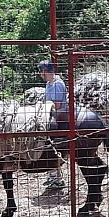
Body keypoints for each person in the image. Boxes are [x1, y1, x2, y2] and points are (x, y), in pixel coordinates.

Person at [39, 60, 67, 189]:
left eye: (41, 71)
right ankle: (53, 175)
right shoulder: (49, 84)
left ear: (45, 71)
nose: (40, 74)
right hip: (50, 116)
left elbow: (57, 105)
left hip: (58, 118)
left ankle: (55, 177)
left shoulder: (57, 84)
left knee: (49, 145)